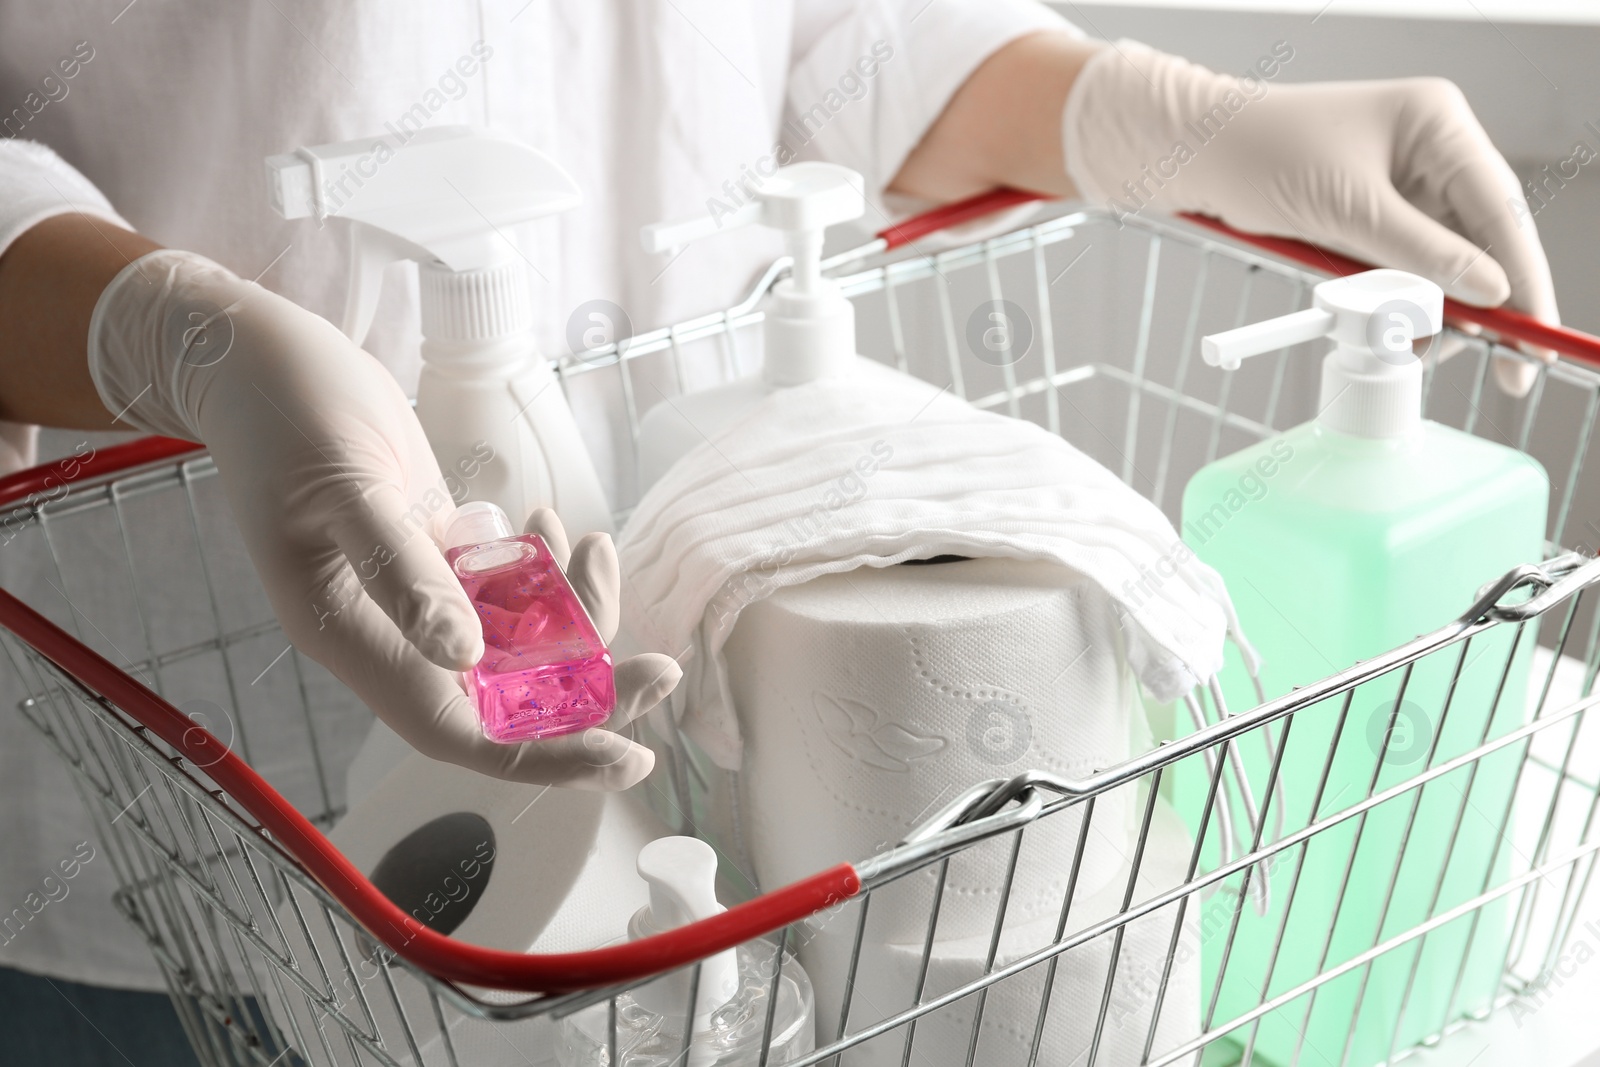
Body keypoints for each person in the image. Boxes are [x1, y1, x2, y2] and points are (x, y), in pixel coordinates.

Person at [0, 2, 1555, 1061]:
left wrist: (1169, 123)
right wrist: (173, 333)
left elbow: (825, 43)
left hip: (719, 762)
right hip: (170, 788)